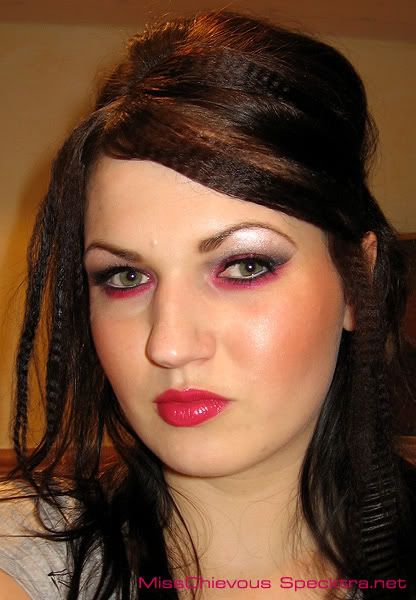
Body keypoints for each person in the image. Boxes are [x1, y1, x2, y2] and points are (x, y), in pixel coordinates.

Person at [0, 9, 415, 600]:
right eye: (125, 276)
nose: (169, 344)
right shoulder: (27, 562)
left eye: (245, 266)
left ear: (359, 285)